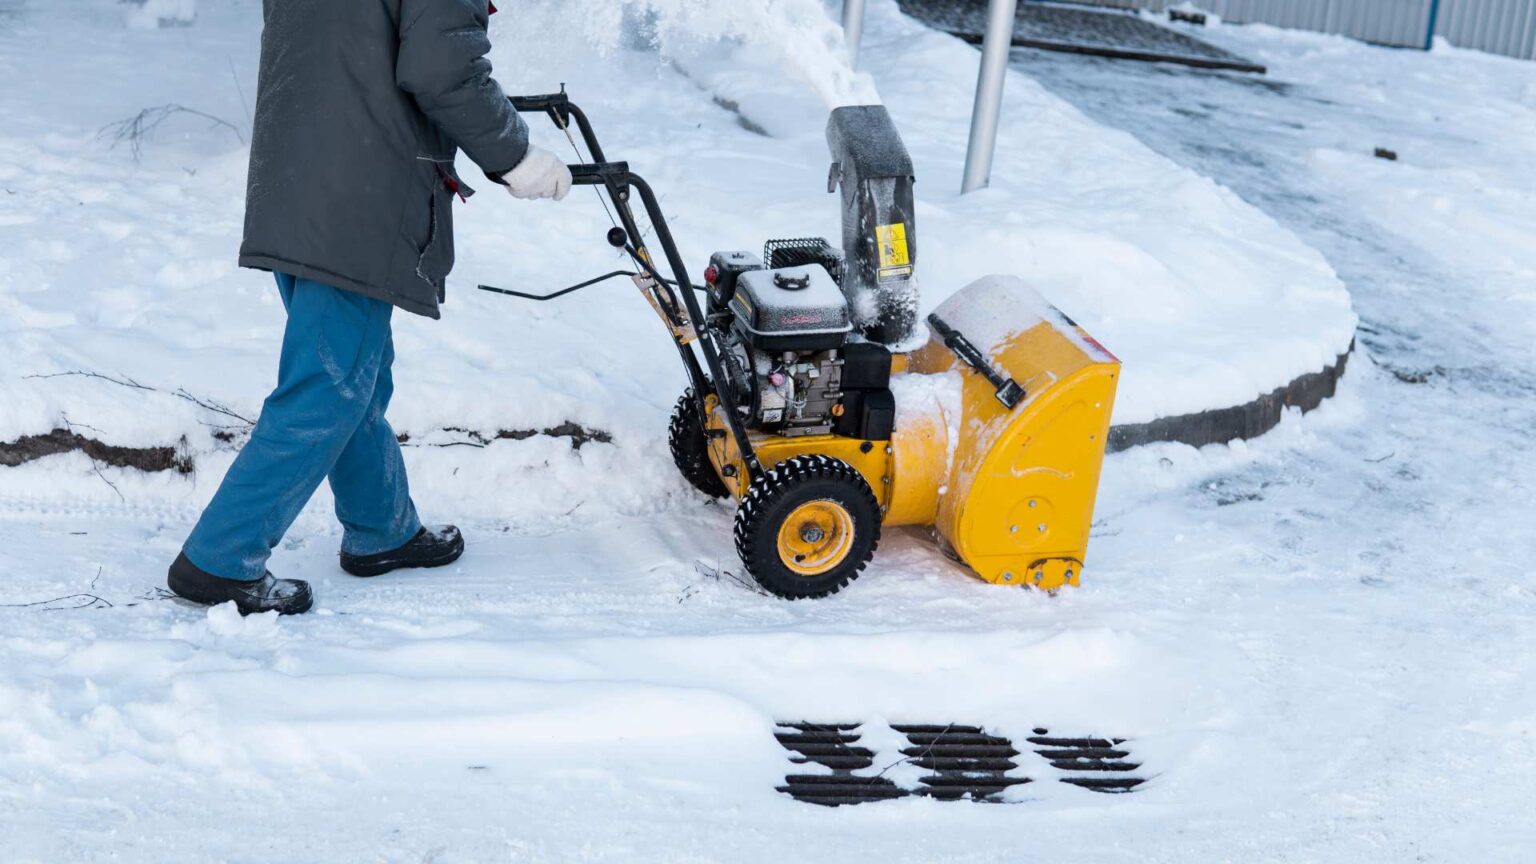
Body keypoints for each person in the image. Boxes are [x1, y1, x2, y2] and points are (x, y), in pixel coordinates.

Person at [166, 0, 571, 615]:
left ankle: (381, 529)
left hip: (298, 178)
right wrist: (515, 155)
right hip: (356, 192)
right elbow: (442, 69)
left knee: (354, 371)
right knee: (326, 386)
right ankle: (220, 559)